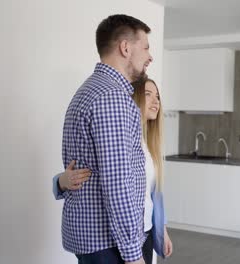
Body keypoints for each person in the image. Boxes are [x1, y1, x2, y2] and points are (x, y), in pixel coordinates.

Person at [60, 14, 153, 264]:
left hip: (95, 240)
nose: (150, 56)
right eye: (145, 47)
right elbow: (118, 183)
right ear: (125, 48)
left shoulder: (91, 89)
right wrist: (134, 256)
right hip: (109, 244)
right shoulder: (112, 98)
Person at [54, 78, 173, 264]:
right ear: (132, 98)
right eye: (148, 94)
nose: (156, 101)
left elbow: (154, 194)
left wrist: (162, 230)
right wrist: (60, 181)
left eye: (157, 96)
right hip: (113, 238)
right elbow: (103, 177)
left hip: (145, 232)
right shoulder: (119, 136)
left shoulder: (149, 145)